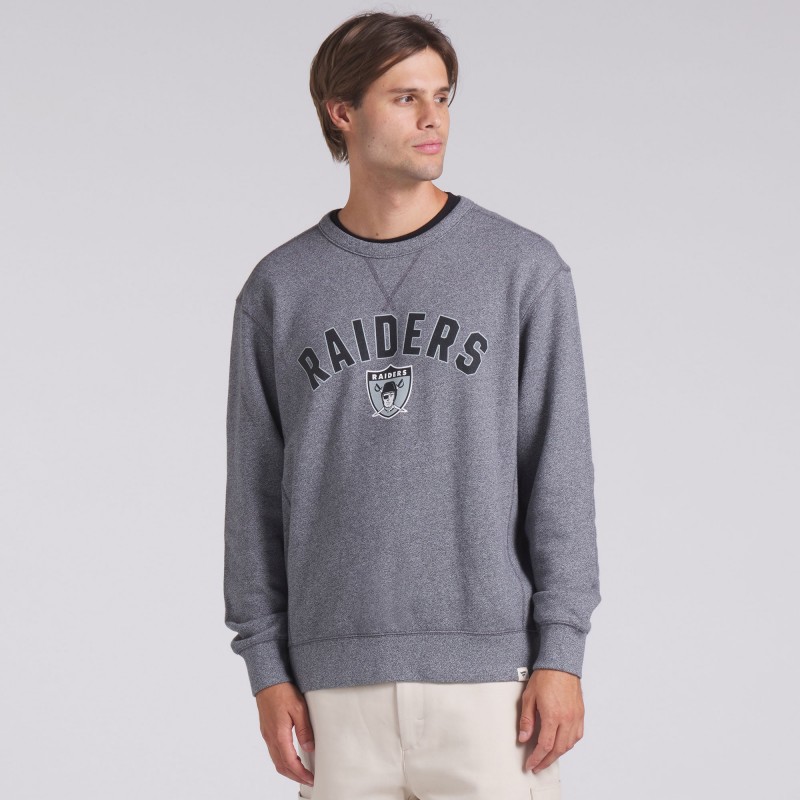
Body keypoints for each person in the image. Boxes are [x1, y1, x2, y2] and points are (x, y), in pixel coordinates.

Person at [223, 11, 601, 799]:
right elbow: (254, 495)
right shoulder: (279, 290)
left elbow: (558, 473)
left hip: (492, 685)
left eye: (442, 95)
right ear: (343, 111)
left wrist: (562, 654)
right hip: (333, 690)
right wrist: (266, 668)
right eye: (405, 98)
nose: (434, 118)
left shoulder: (521, 270)